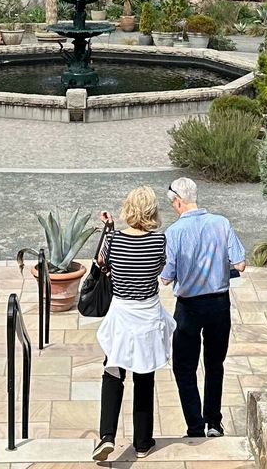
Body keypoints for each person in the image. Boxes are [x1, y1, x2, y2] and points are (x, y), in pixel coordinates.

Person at [91, 187, 174, 463]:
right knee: (144, 376)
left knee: (113, 371)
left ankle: (107, 436)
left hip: (121, 315)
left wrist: (109, 227)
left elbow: (102, 263)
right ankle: (141, 442)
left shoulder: (114, 240)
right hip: (147, 315)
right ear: (152, 211)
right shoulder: (158, 241)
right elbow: (161, 268)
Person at [161, 176, 244, 439]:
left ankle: (195, 426)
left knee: (184, 367)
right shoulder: (222, 223)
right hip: (219, 304)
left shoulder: (173, 233)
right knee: (214, 363)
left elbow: (166, 277)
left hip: (188, 306)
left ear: (177, 202)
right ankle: (214, 423)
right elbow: (240, 264)